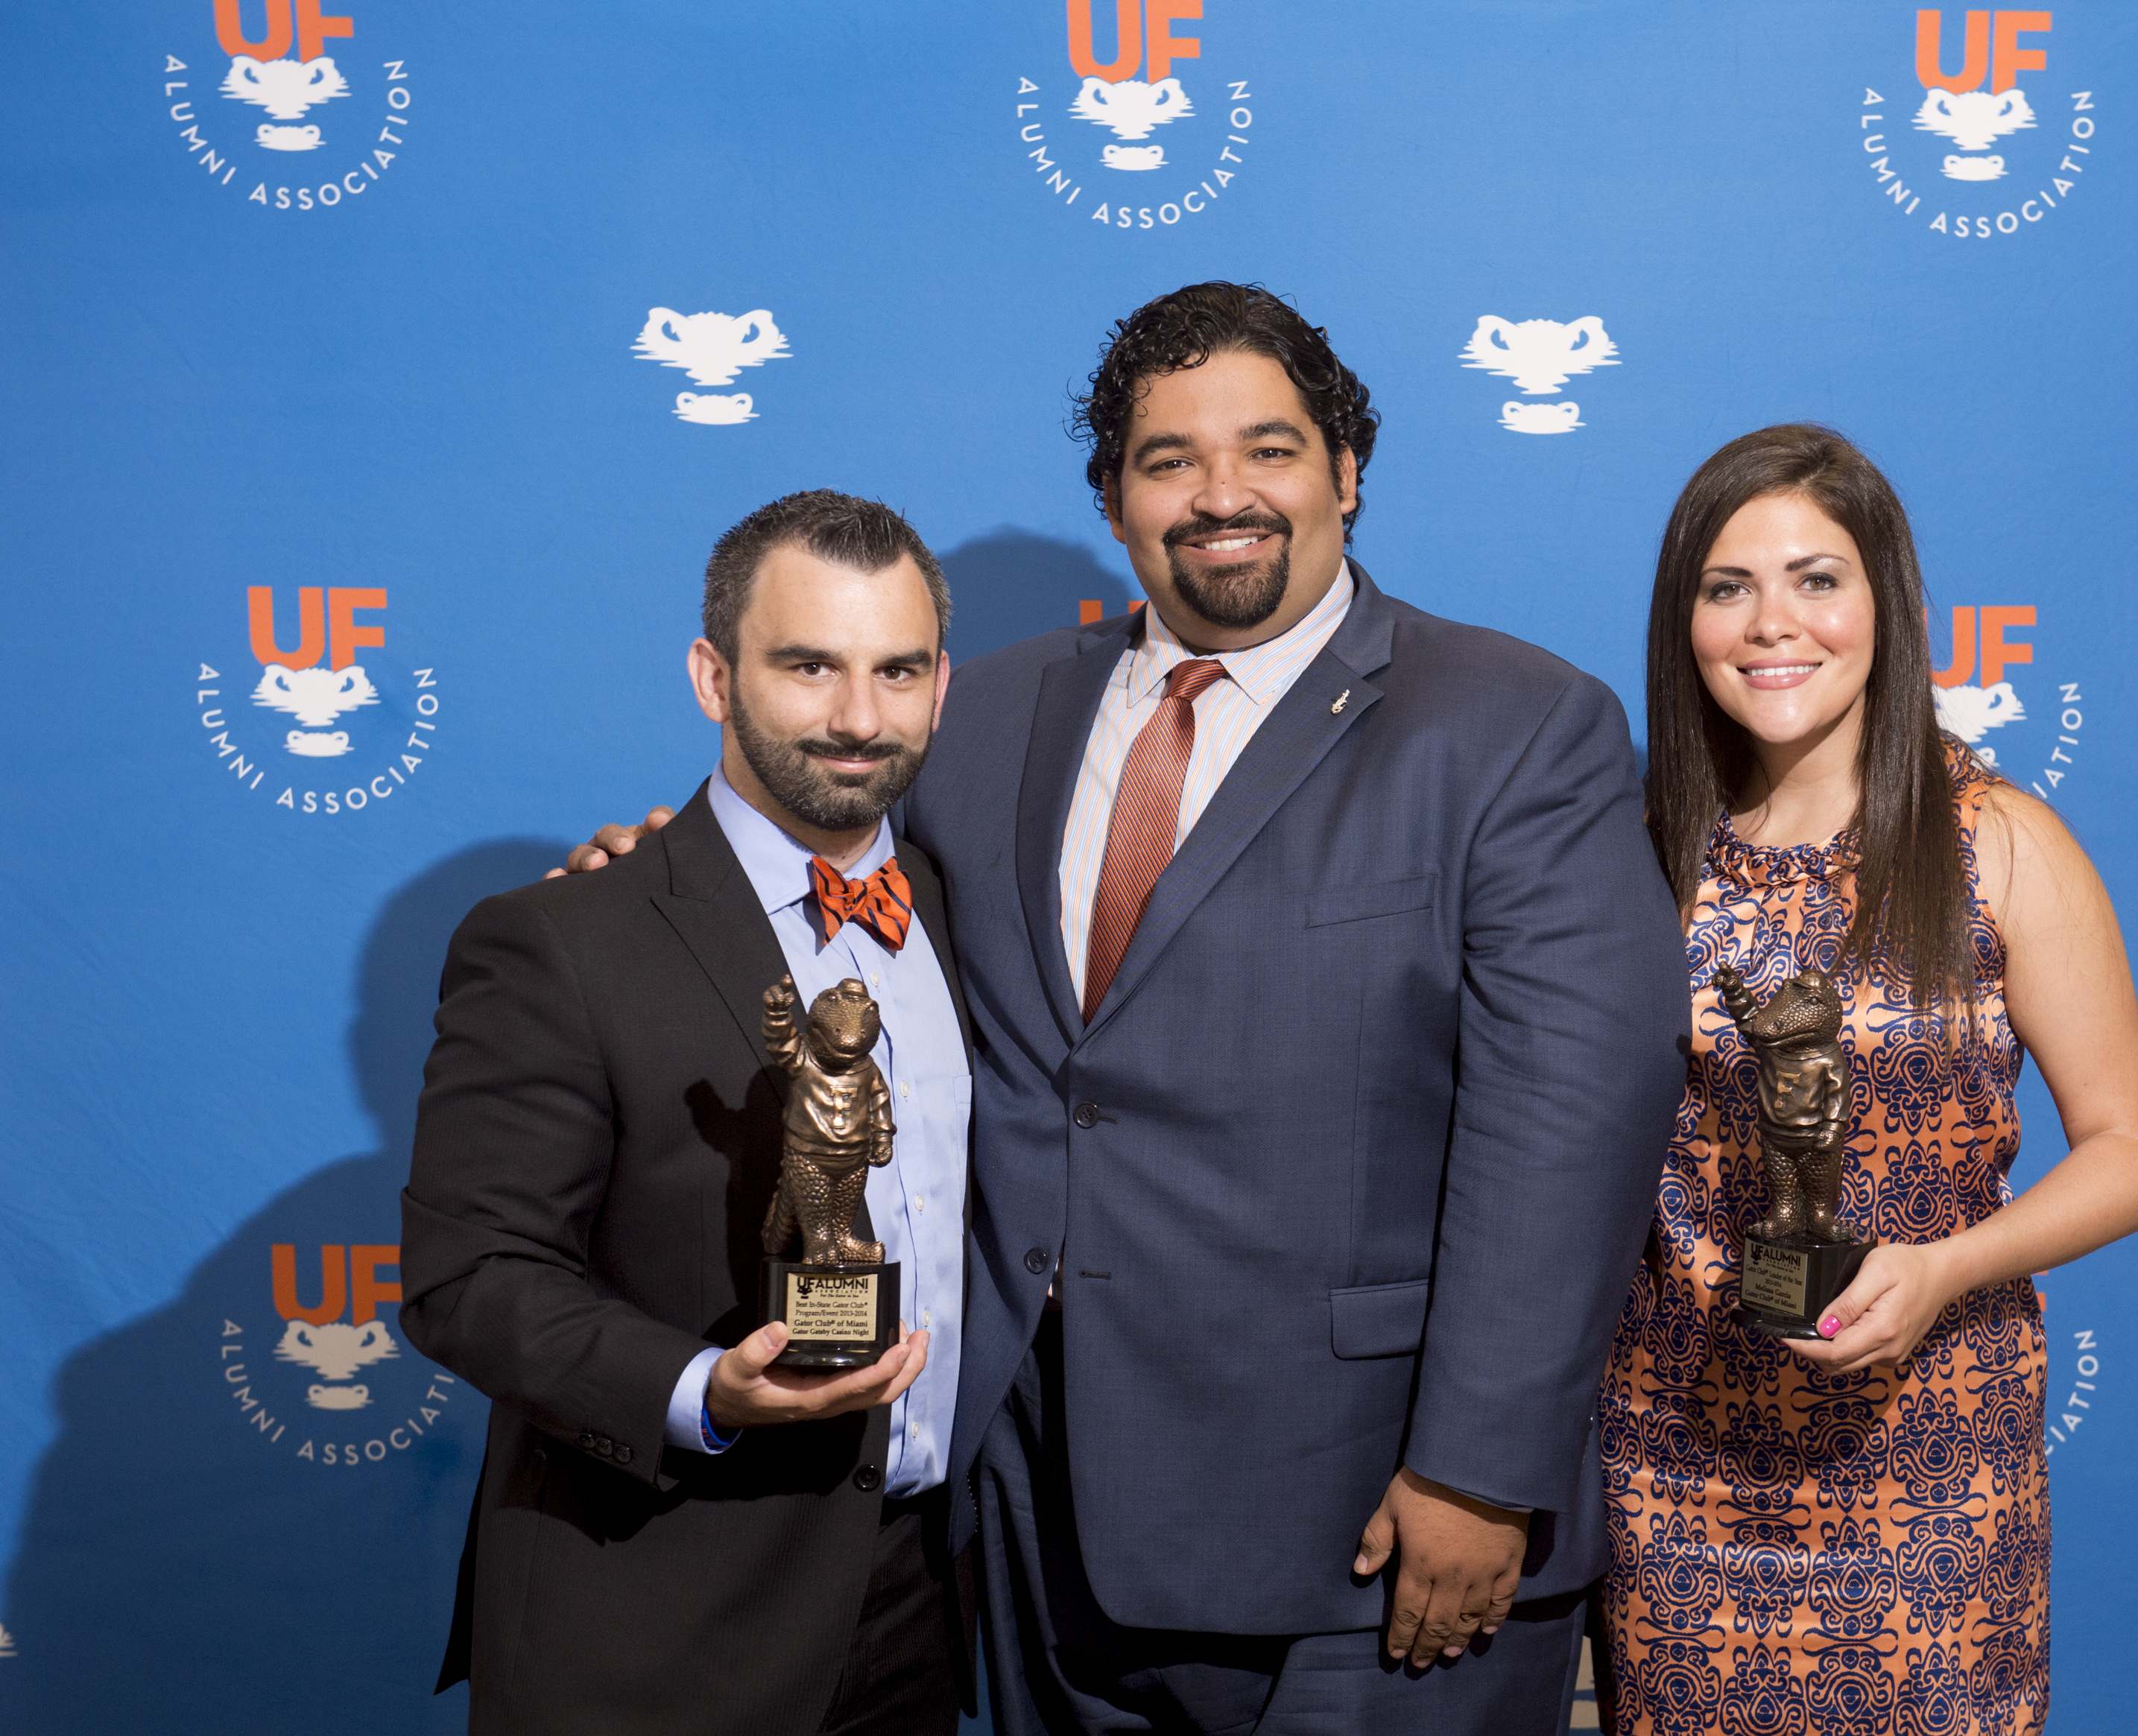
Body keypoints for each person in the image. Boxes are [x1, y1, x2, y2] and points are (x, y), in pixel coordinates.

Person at [570, 282, 1690, 1732]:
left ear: (1347, 473)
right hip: (1040, 1521)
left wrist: (1482, 1469)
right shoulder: (983, 716)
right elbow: (829, 891)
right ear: (1114, 501)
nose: (1222, 495)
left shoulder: (1514, 724)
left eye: (1270, 449)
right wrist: (663, 881)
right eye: (1170, 460)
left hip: (1373, 1530)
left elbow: (1575, 1123)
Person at [1596, 426, 2138, 1734]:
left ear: (1890, 607)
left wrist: (1946, 1268)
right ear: (1685, 621)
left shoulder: (1997, 843)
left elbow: (2135, 1150)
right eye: (1728, 587)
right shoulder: (1639, 857)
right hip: (1677, 1464)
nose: (1772, 623)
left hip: (1934, 1470)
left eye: (1817, 579)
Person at [401, 492, 978, 1735]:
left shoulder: (966, 903)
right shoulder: (563, 937)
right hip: (655, 1623)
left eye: (897, 669)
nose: (858, 716)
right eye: (808, 666)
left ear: (941, 686)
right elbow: (470, 1277)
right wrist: (701, 1389)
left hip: (925, 1606)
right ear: (714, 677)